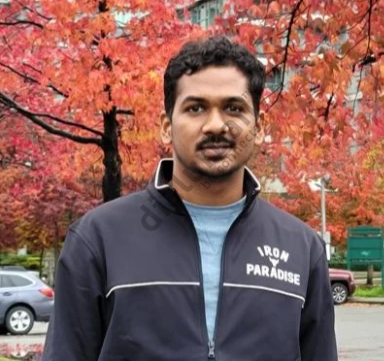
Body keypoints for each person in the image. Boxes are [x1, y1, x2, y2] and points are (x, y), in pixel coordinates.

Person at [43, 36, 338, 360]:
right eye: (196, 108)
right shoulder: (97, 239)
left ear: (259, 126)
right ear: (166, 126)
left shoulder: (302, 248)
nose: (216, 125)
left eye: (234, 108)